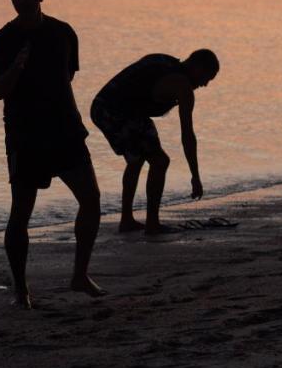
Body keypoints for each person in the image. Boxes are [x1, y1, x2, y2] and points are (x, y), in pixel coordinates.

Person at [0, 0, 103, 307]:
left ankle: (80, 275)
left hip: (65, 129)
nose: (23, 0)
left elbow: (68, 76)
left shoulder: (63, 32)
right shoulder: (2, 38)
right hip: (25, 135)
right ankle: (21, 291)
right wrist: (18, 67)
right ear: (10, 0)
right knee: (21, 212)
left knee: (91, 200)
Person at [90, 49, 220, 234]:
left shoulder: (168, 62)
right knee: (159, 161)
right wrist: (195, 177)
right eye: (207, 77)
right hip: (111, 110)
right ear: (197, 67)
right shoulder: (182, 86)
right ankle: (151, 223)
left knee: (138, 159)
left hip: (120, 109)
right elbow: (187, 135)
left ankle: (127, 220)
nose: (205, 84)